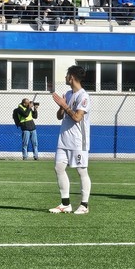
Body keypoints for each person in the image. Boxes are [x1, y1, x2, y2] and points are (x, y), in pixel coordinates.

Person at [50, 65, 92, 215]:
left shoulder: (83, 96)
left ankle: (84, 205)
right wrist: (61, 107)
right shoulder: (68, 93)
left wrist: (65, 105)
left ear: (72, 77)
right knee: (59, 168)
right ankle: (65, 204)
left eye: (67, 75)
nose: (65, 78)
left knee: (82, 171)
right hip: (64, 139)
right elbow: (59, 117)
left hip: (78, 141)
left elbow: (77, 117)